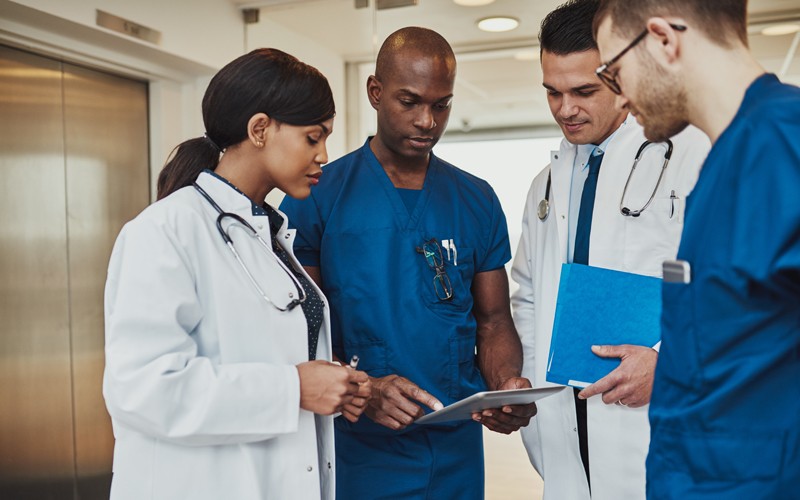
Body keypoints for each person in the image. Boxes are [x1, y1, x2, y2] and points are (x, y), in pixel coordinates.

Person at [102, 48, 371, 500]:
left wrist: (333, 385)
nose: (325, 154)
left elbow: (266, 351)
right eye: (313, 137)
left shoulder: (268, 232)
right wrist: (295, 388)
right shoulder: (166, 230)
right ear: (260, 129)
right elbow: (143, 389)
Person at [279, 26, 536, 499]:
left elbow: (494, 319)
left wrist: (504, 387)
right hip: (357, 446)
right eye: (410, 102)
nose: (427, 121)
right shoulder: (317, 196)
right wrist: (365, 389)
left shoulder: (475, 198)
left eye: (441, 105)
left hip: (456, 444)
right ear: (375, 93)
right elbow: (298, 331)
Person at [593, 1, 800, 498]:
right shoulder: (723, 160)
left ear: (663, 39)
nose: (618, 99)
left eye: (614, 73)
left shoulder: (782, 142)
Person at [510, 1, 710, 499]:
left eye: (584, 91)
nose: (565, 109)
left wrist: (669, 363)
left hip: (659, 424)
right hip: (565, 434)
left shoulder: (692, 155)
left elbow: (736, 292)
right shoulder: (546, 184)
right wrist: (534, 402)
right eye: (552, 92)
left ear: (622, 76)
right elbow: (529, 296)